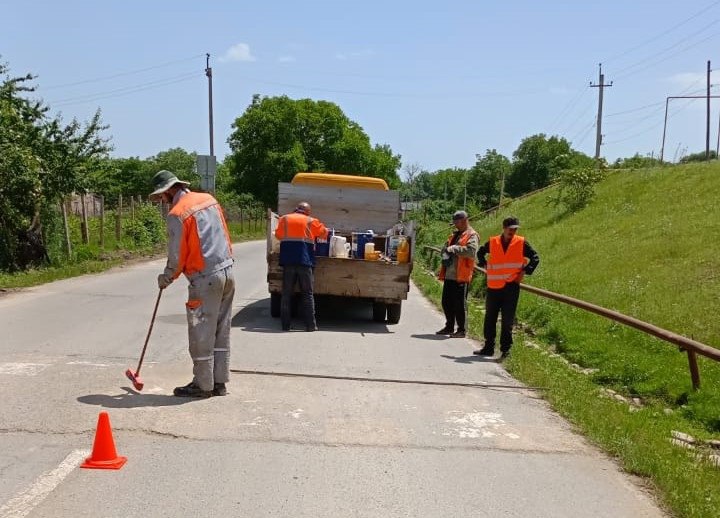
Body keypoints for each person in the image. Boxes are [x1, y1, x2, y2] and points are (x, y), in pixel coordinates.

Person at [150, 170, 235, 398]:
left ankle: (202, 384)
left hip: (205, 279)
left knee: (201, 332)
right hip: (227, 271)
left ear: (168, 190)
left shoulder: (177, 214)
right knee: (221, 329)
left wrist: (167, 277)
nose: (161, 201)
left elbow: (177, 255)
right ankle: (219, 382)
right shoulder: (208, 199)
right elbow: (224, 233)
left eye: (161, 197)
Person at [474, 216, 539, 360]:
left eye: (515, 229)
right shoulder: (493, 242)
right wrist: (483, 263)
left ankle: (506, 350)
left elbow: (535, 257)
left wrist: (524, 271)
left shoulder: (521, 243)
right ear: (504, 228)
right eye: (510, 229)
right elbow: (480, 252)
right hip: (494, 286)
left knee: (507, 320)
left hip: (511, 286)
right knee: (490, 318)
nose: (513, 231)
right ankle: (488, 347)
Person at [274, 202, 328, 331]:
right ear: (307, 212)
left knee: (286, 294)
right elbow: (324, 233)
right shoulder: (311, 220)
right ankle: (310, 325)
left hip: (288, 262)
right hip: (305, 262)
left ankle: (285, 325)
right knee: (307, 294)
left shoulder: (284, 219)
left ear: (296, 209)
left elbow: (278, 235)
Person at [436, 210, 479, 338]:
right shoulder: (455, 234)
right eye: (454, 222)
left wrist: (454, 249)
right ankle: (449, 326)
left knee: (460, 304)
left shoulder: (472, 235)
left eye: (457, 222)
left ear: (465, 220)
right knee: (446, 302)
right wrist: (445, 251)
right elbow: (446, 247)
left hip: (462, 275)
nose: (455, 225)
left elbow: (471, 252)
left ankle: (461, 330)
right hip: (450, 274)